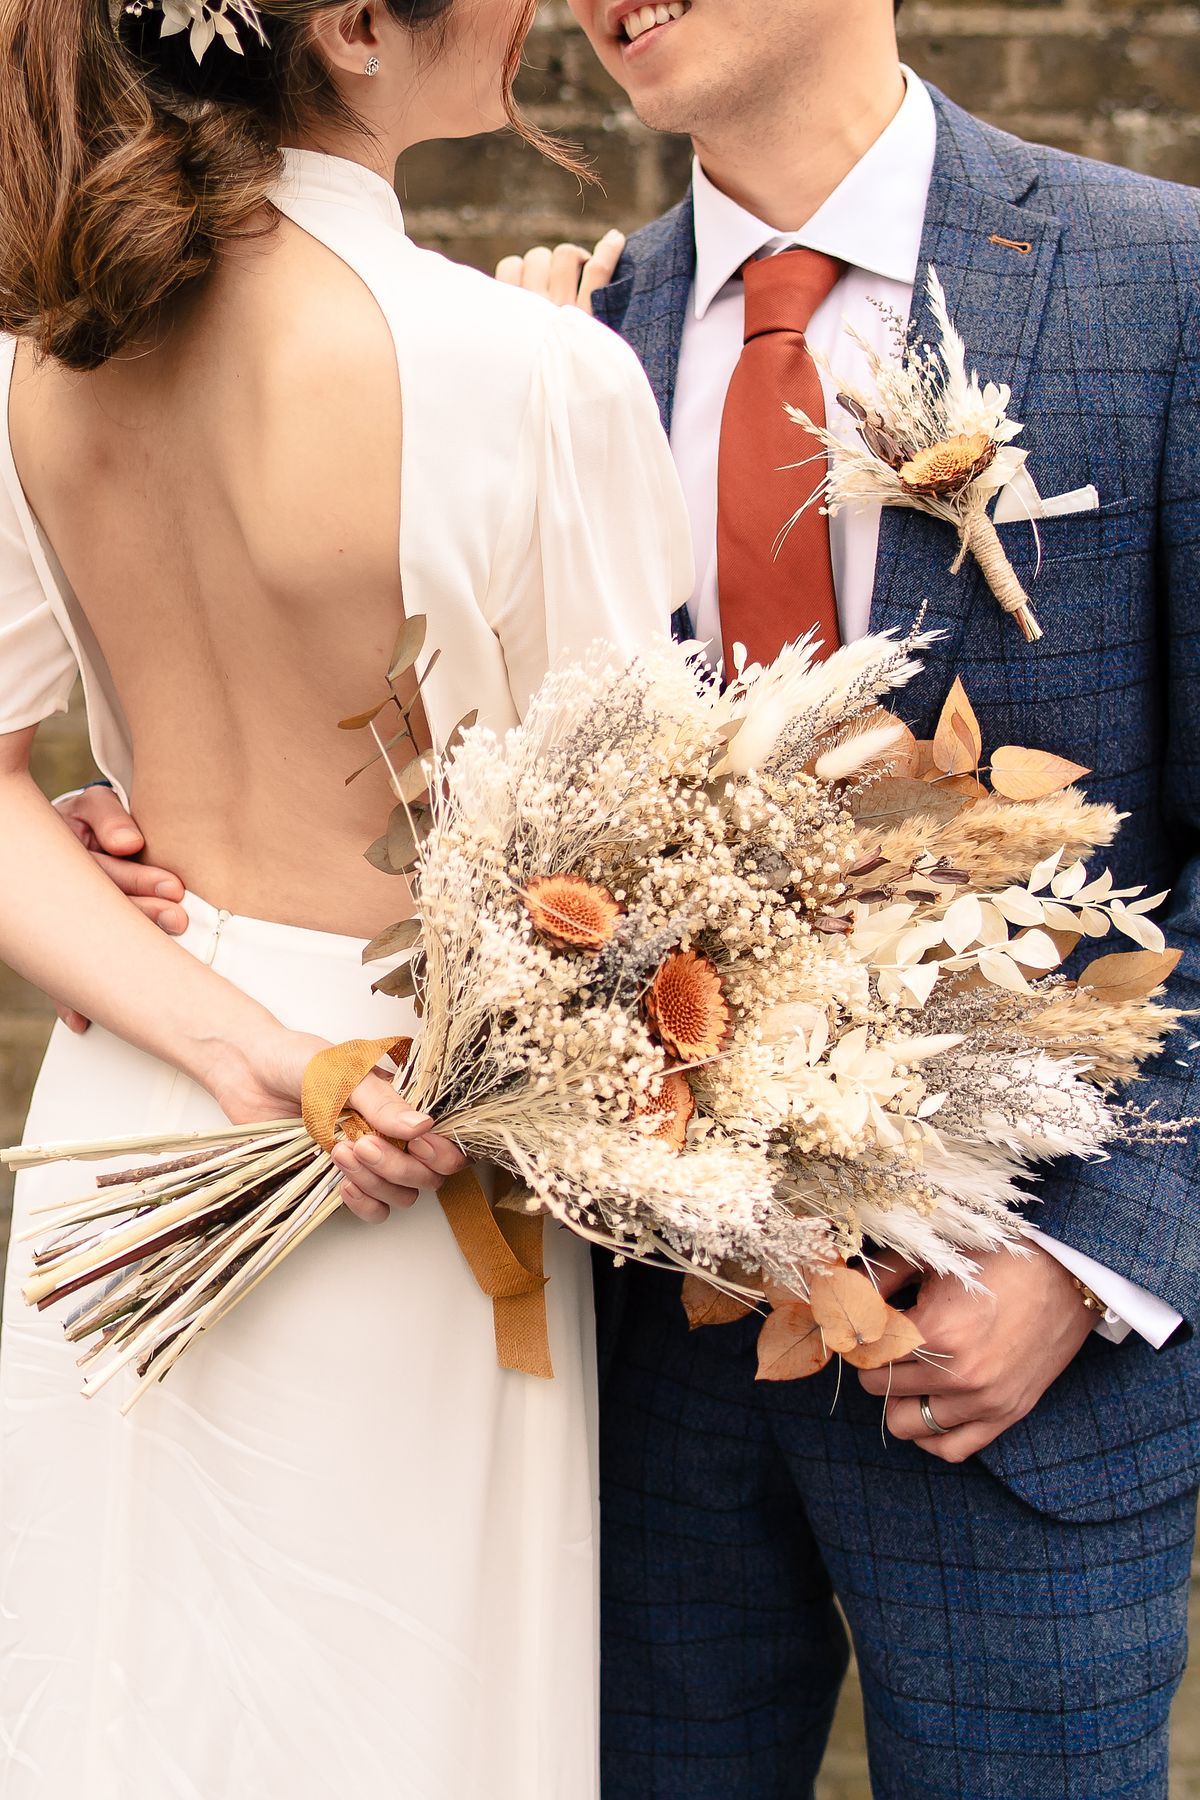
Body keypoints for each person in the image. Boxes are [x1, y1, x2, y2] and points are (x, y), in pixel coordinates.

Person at [47, 1, 1200, 1793]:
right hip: (619, 1361)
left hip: (1017, 1367)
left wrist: (1094, 1259)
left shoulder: (1157, 280)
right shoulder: (555, 340)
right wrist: (132, 841)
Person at [0, 1, 691, 1795]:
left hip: (133, 1105)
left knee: (113, 1694)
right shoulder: (526, 375)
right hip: (398, 1135)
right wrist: (562, 393)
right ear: (363, 31)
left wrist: (226, 1043)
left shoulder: (38, 362)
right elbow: (638, 868)